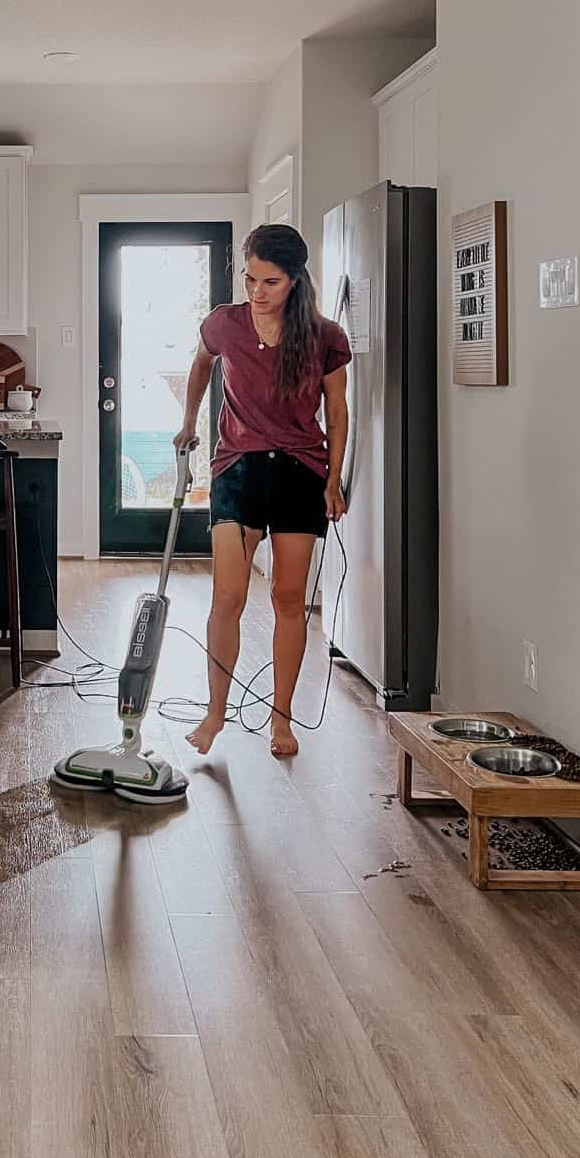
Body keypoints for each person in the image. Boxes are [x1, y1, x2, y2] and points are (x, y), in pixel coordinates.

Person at [174, 223, 350, 757]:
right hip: (238, 469)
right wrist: (189, 423)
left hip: (300, 471)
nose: (256, 292)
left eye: (270, 282)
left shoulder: (323, 336)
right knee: (227, 597)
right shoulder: (223, 325)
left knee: (287, 598)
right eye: (250, 279)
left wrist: (334, 480)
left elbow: (337, 413)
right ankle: (214, 715)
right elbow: (201, 366)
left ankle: (281, 720)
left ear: (295, 280)